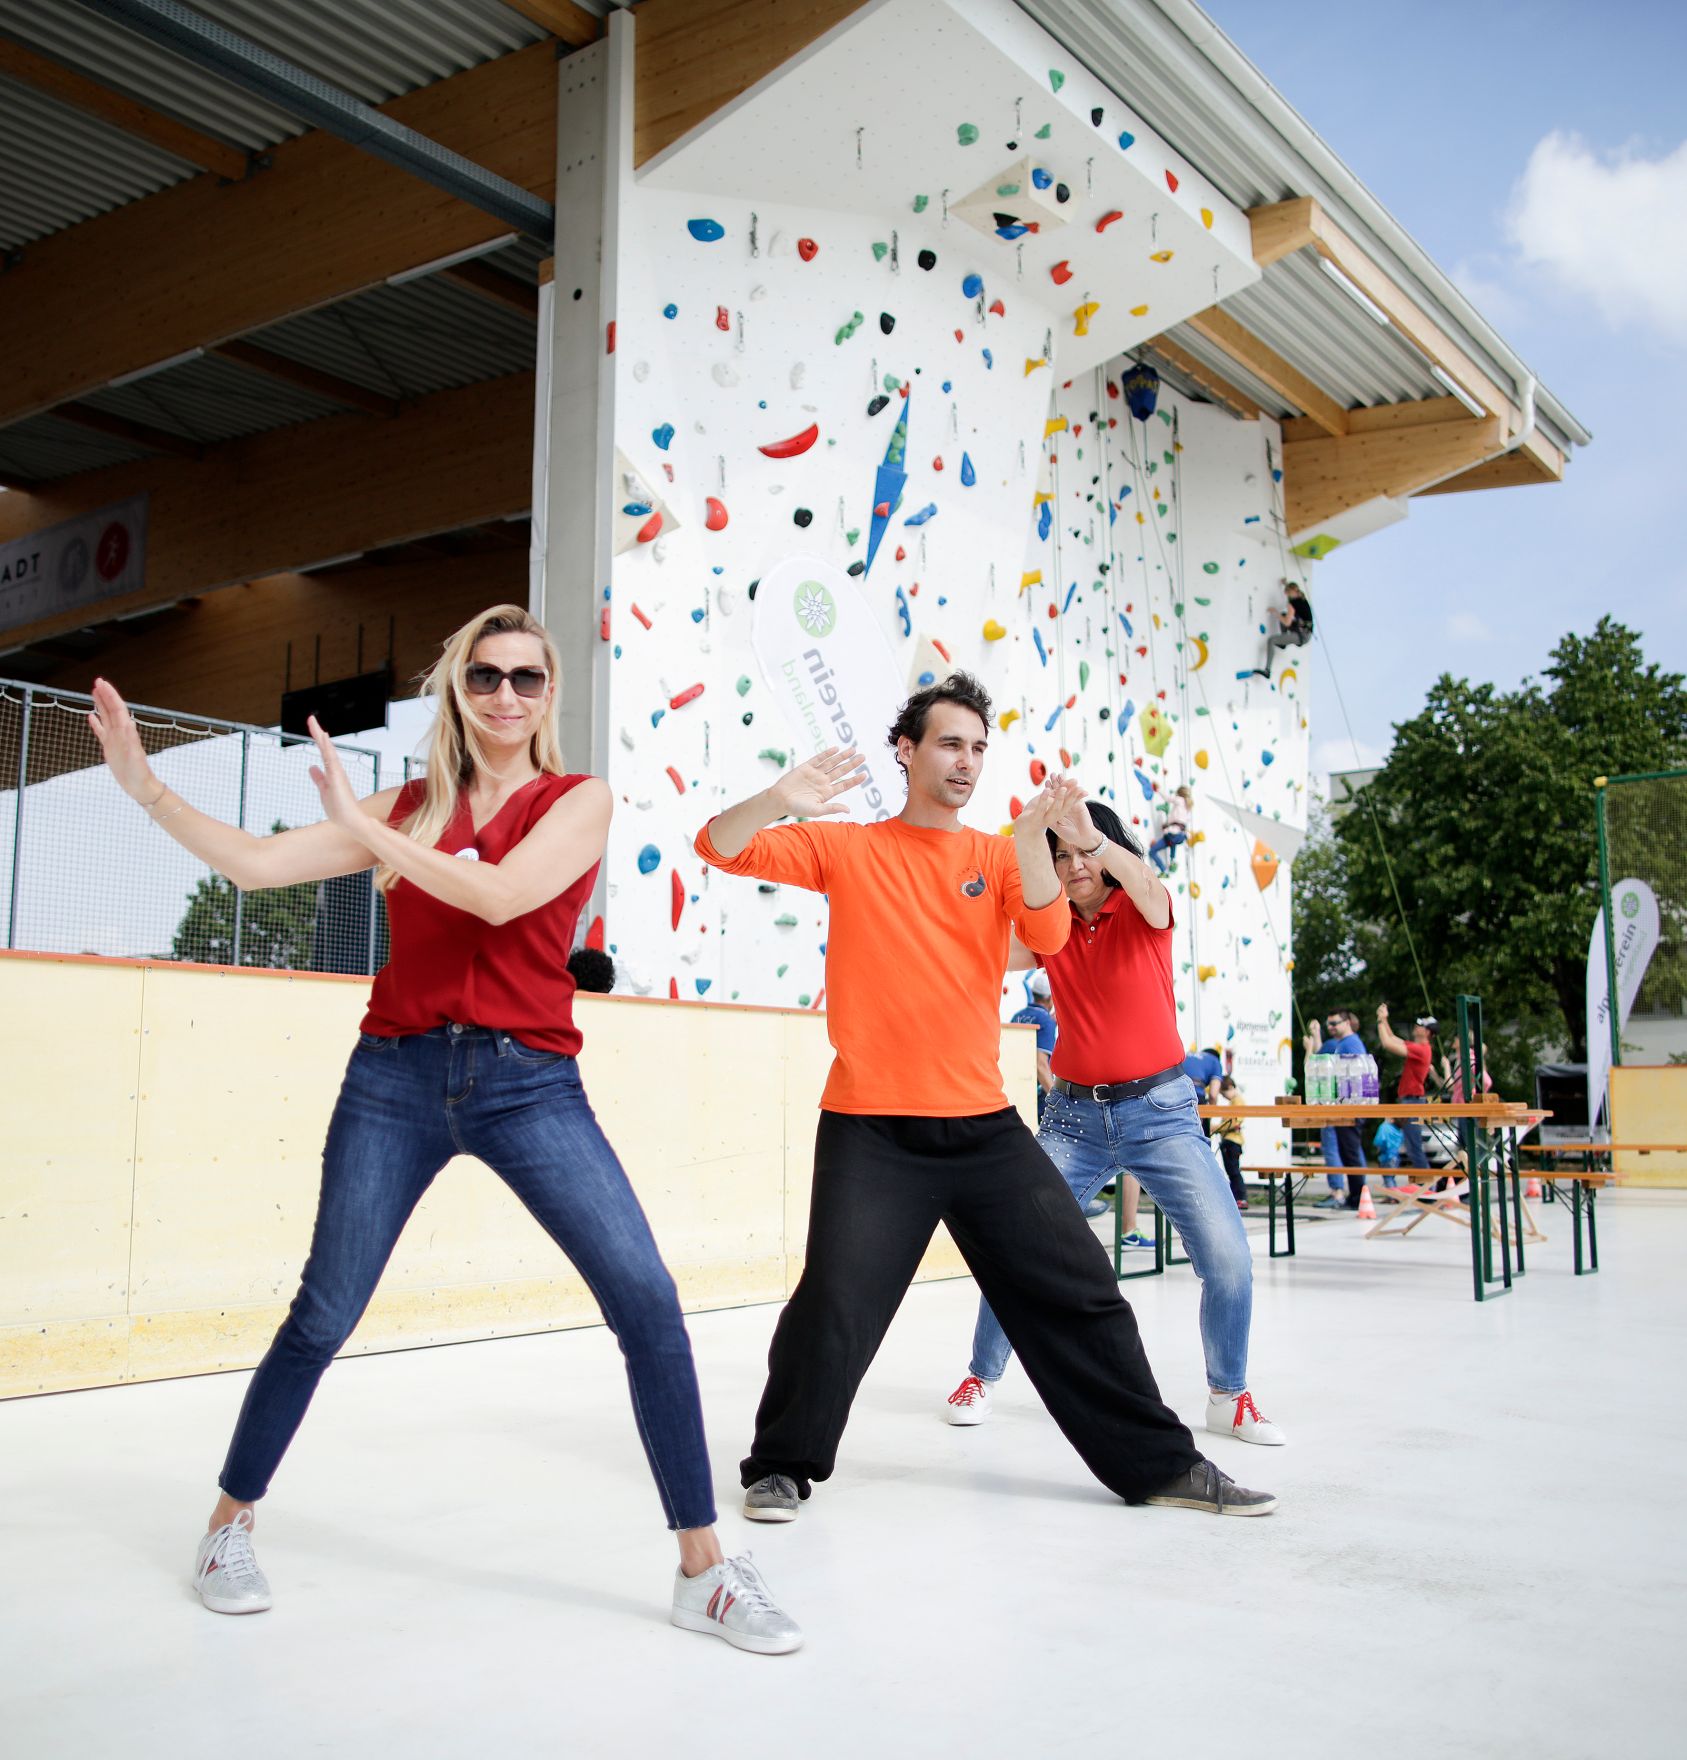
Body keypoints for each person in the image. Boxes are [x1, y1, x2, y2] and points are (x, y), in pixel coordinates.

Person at [87, 605, 801, 1656]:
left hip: (528, 1082)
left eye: (526, 677)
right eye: (484, 676)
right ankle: (227, 1526)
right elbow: (254, 864)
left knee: (646, 1301)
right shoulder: (410, 805)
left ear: (549, 694)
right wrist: (146, 787)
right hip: (396, 1076)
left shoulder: (577, 800)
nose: (506, 694)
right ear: (459, 691)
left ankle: (704, 1571)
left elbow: (503, 897)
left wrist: (369, 830)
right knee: (323, 1311)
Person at [694, 673, 1277, 1520]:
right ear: (906, 750)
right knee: (835, 1301)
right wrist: (778, 800)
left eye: (976, 747)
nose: (965, 761)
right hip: (870, 1124)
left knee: (1081, 1292)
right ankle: (780, 1466)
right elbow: (718, 845)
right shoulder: (848, 848)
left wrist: (1039, 839)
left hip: (981, 1127)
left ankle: (1161, 1466)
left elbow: (1045, 931)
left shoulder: (999, 857)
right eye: (948, 743)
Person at [942, 795, 1283, 1447]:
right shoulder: (1050, 929)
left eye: (1085, 852)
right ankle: (980, 1376)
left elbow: (1148, 886)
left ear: (1109, 851)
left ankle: (1229, 1395)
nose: (1074, 865)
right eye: (1060, 855)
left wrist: (1089, 837)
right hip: (1073, 1119)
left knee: (1227, 1259)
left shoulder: (1142, 907)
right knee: (1014, 1248)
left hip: (1161, 1114)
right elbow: (982, 945)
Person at [1304, 1010, 1370, 1208]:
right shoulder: (1343, 1043)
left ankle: (1356, 1197)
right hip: (1346, 1106)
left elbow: (1354, 1077)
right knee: (1349, 1152)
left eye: (1334, 1023)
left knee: (1349, 1153)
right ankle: (1355, 1196)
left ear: (1347, 1022)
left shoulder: (1350, 1044)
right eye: (1329, 1024)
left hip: (1349, 1108)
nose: (1331, 1027)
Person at [1377, 1004, 1436, 1174]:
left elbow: (1387, 1043)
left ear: (1427, 1032)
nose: (1416, 1027)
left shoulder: (1422, 1050)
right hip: (1410, 1100)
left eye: (1420, 1026)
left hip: (1413, 1101)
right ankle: (1425, 1182)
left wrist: (1380, 1020)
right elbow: (1392, 1037)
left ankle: (1427, 1182)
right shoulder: (1419, 1048)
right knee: (1411, 1146)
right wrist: (1385, 1019)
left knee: (1413, 1147)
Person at [1253, 581, 1312, 680]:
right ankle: (1283, 644)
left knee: (1271, 640)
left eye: (1287, 594)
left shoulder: (1293, 604)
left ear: (1290, 592)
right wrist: (1285, 583)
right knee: (1284, 615)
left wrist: (1275, 612)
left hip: (1301, 635)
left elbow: (1287, 623)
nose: (1287, 596)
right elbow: (1292, 590)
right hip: (1304, 631)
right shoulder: (1301, 598)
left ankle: (1267, 671)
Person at [1215, 1076, 1249, 1209]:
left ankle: (1241, 1197)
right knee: (1231, 1171)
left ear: (1230, 1088)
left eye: (1223, 1093)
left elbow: (1235, 1122)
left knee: (1233, 1170)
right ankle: (1236, 1197)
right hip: (1230, 1140)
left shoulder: (1238, 1101)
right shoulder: (1234, 1101)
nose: (1223, 1097)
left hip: (1232, 1140)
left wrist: (1217, 1128)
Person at [1147, 785, 1193, 874]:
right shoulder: (1188, 806)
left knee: (1152, 851)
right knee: (1172, 842)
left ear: (1180, 793)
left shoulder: (1180, 800)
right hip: (1180, 835)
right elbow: (1180, 820)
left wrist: (1158, 789)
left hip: (1173, 834)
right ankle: (1171, 861)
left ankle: (1164, 869)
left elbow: (1167, 798)